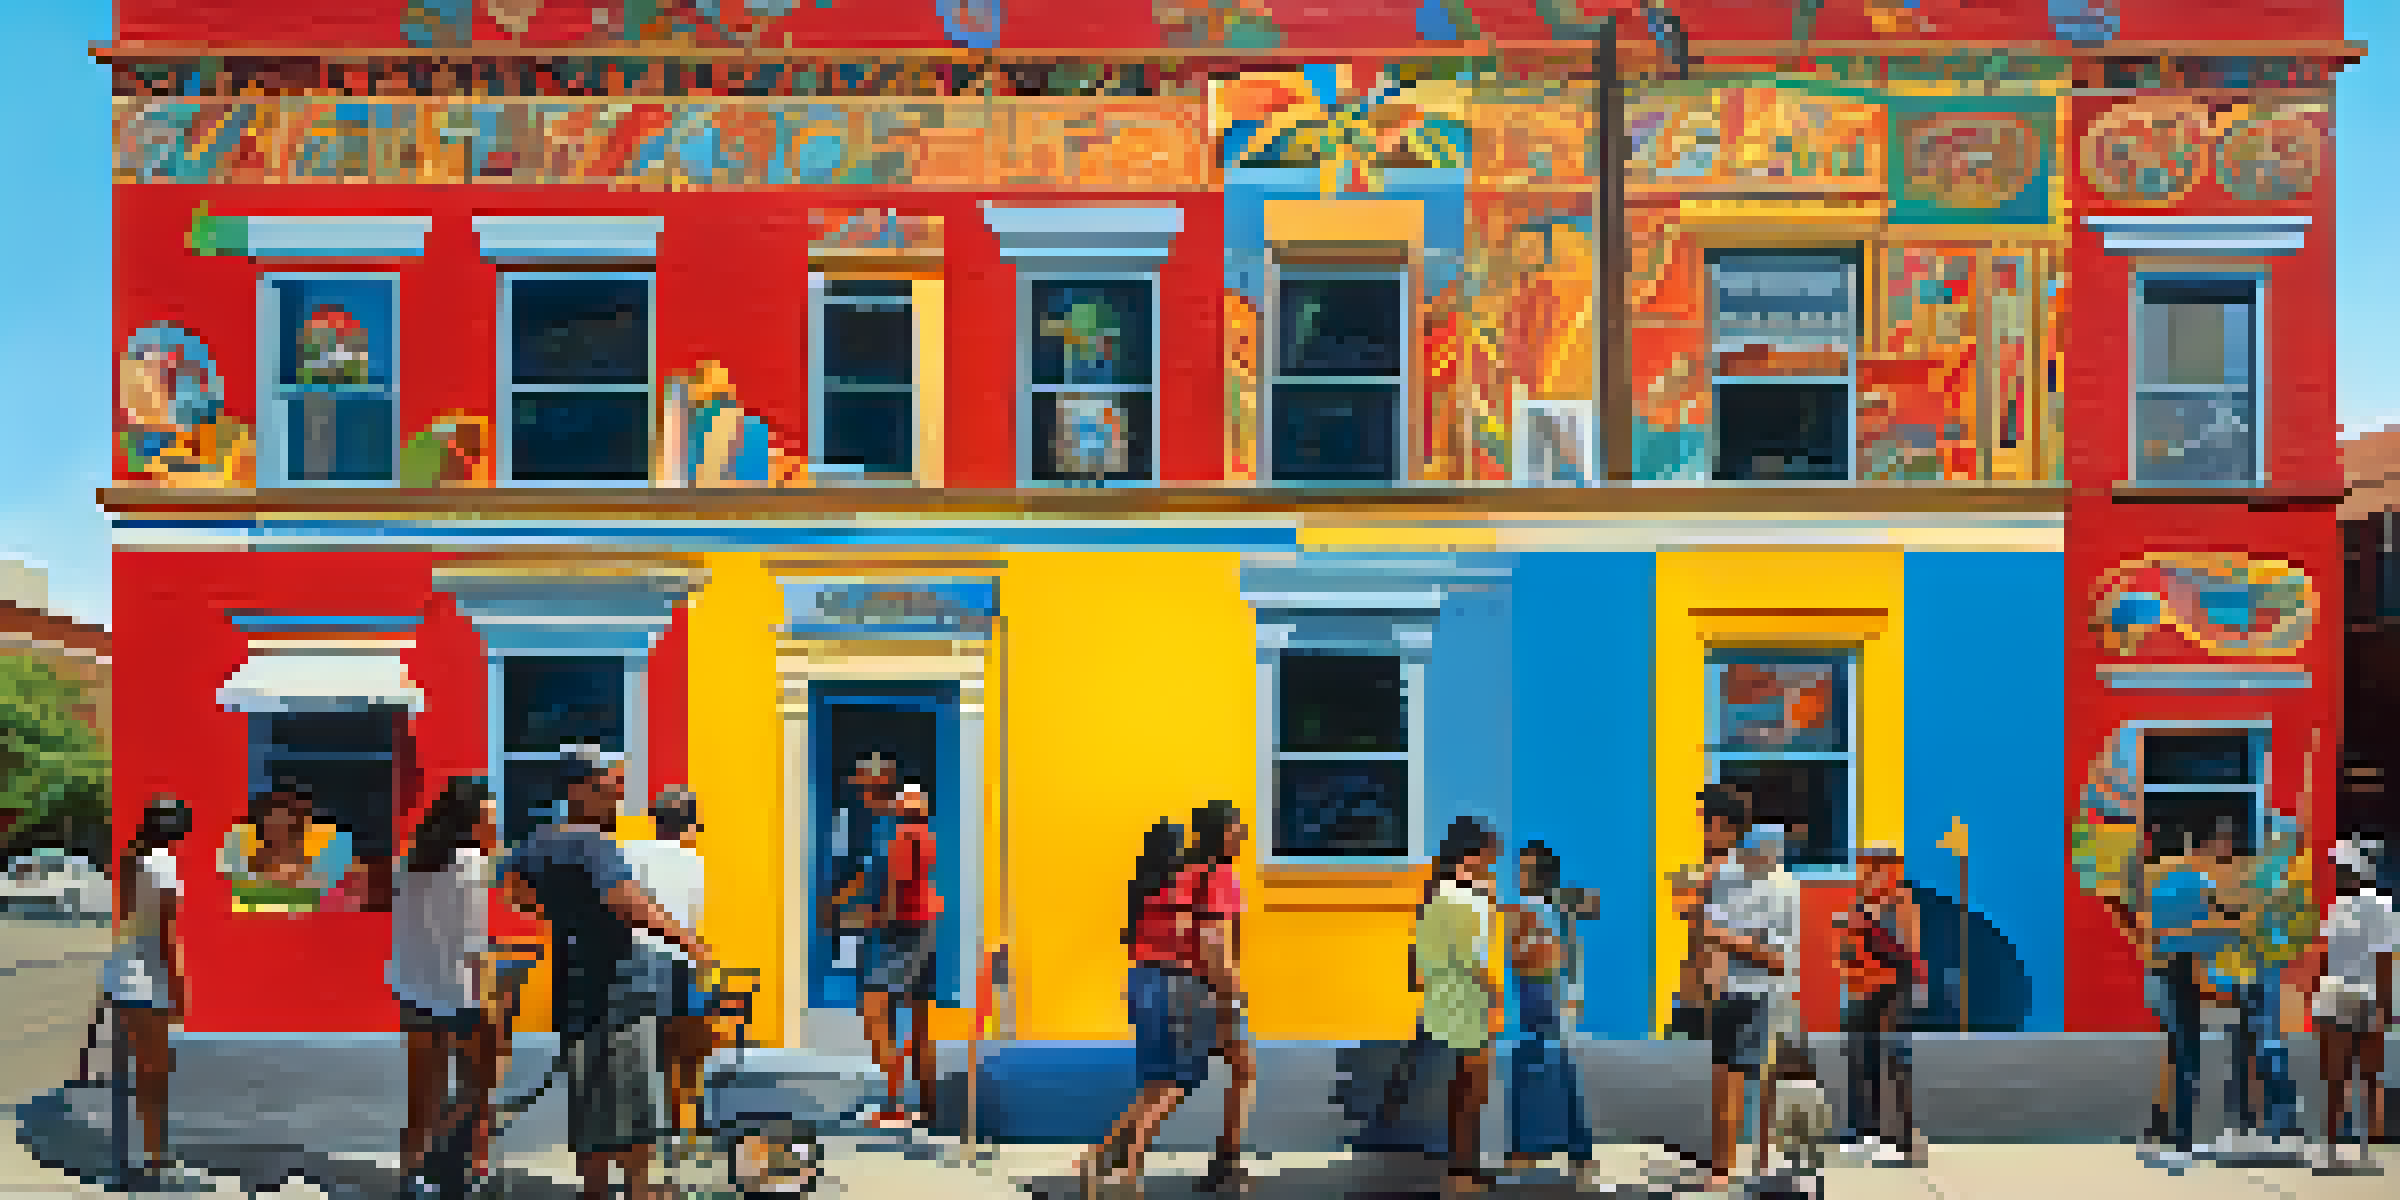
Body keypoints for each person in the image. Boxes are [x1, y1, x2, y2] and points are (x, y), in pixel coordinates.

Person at [497, 749, 715, 1200]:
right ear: (578, 790)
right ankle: (639, 1189)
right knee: (636, 1102)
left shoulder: (537, 843)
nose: (618, 793)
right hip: (621, 990)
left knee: (588, 1096)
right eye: (608, 785)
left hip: (572, 987)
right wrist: (686, 939)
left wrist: (563, 916)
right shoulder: (594, 843)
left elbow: (513, 892)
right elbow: (624, 900)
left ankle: (594, 1189)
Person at [390, 776, 501, 1196]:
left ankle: (411, 1176)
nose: (494, 829)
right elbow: (473, 941)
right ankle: (469, 1172)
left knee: (422, 1094)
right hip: (461, 995)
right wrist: (488, 999)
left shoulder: (411, 863)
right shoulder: (470, 864)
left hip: (416, 989)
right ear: (469, 823)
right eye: (489, 819)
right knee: (478, 1089)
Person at [1080, 818, 1204, 1192]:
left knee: (1154, 1083)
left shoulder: (1140, 891)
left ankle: (1099, 1156)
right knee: (1179, 1082)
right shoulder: (1178, 893)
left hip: (1141, 983)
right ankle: (1131, 1164)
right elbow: (1189, 940)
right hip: (1172, 983)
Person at [820, 753, 940, 1131]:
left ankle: (895, 1106)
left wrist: (846, 920)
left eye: (862, 783)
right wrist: (842, 903)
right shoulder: (909, 830)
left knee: (876, 1014)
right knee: (917, 1021)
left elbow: (890, 898)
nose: (856, 789)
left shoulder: (901, 835)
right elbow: (871, 875)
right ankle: (925, 1108)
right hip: (921, 928)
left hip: (899, 933)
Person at [1383, 816, 1503, 1193]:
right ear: (1474, 856)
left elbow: (1417, 964)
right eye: (1489, 857)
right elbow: (1474, 959)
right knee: (1473, 1090)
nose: (1492, 865)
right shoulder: (1466, 899)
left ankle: (1462, 1167)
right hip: (1469, 1002)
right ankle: (1462, 1170)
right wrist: (1495, 999)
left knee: (1462, 1091)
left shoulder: (1437, 894)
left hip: (1443, 999)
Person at [2136, 816, 2246, 1168]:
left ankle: (2161, 1131)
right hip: (2183, 973)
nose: (2226, 852)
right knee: (2187, 1058)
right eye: (2223, 844)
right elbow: (2208, 930)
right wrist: (2239, 928)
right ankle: (2179, 1138)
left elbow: (2153, 929)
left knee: (2175, 1053)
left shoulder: (2158, 883)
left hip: (2160, 971)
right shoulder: (2197, 881)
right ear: (2202, 846)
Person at [99, 792, 195, 1186]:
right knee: (155, 1076)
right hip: (148, 981)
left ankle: (139, 1158)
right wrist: (179, 986)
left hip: (121, 975)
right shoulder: (164, 865)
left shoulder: (130, 862)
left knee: (136, 1074)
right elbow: (167, 936)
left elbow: (125, 921)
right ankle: (156, 1164)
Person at [1704, 818, 1800, 1187]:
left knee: (1766, 1081)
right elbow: (1712, 936)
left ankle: (1765, 1163)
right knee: (1724, 1082)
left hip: (1769, 995)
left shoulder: (1785, 890)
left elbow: (1780, 957)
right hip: (1731, 995)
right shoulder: (1726, 881)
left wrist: (1726, 941)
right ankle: (1721, 1169)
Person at [621, 784, 712, 1160]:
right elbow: (693, 916)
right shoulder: (693, 862)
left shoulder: (630, 851)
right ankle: (678, 1130)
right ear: (686, 825)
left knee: (636, 1049)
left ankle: (635, 1130)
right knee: (679, 1051)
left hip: (632, 957)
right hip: (676, 960)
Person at [2294, 837, 2396, 1168]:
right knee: (2352, 1076)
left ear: (2357, 872)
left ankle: (2351, 1149)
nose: (2336, 875)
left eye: (2341, 868)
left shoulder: (2369, 907)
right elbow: (2334, 955)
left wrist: (2384, 1005)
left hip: (2351, 997)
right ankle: (2346, 1148)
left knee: (2352, 1076)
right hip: (2347, 996)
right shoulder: (2347, 907)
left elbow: (2380, 959)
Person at [1502, 840, 1600, 1185]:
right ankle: (1537, 1148)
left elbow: (1594, 906)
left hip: (1549, 994)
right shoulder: (1523, 908)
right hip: (1527, 994)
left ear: (1544, 873)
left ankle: (1566, 1149)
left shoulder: (1554, 907)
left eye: (1527, 868)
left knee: (1553, 1070)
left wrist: (1561, 897)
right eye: (1521, 868)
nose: (1520, 874)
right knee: (1532, 1068)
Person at [1182, 798, 1255, 1193]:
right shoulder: (1221, 877)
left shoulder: (1192, 874)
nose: (1243, 835)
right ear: (1223, 834)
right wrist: (1230, 991)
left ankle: (1123, 1154)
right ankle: (1226, 1162)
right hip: (1215, 990)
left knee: (1174, 1082)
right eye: (1237, 828)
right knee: (1242, 1071)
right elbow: (1214, 941)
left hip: (1188, 985)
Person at [1836, 844, 1924, 1167]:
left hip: (1892, 992)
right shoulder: (1857, 906)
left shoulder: (1901, 905)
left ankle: (1899, 1136)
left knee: (1894, 1061)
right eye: (1864, 869)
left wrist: (1867, 932)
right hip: (1860, 992)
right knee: (1859, 1060)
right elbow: (1846, 950)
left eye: (1875, 869)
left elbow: (1907, 951)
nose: (1867, 876)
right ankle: (1861, 1129)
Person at [220, 779, 354, 913]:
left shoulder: (332, 840)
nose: (283, 822)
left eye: (293, 815)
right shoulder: (239, 839)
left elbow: (326, 890)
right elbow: (225, 884)